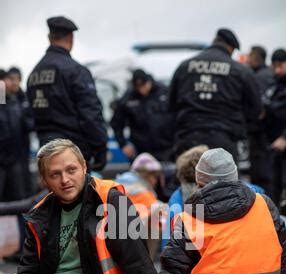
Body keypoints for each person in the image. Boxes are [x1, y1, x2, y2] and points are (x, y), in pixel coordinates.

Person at [0, 139, 170, 274]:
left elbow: (139, 268)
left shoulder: (111, 202)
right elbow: (29, 273)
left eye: (71, 170)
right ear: (44, 180)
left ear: (84, 167)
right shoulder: (41, 213)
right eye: (55, 174)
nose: (65, 180)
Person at [27, 16, 107, 171]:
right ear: (70, 38)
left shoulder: (34, 74)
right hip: (72, 152)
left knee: (53, 194)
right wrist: (100, 148)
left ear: (49, 38)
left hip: (46, 152)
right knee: (78, 193)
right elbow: (90, 114)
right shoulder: (76, 71)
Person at [168, 28, 262, 160]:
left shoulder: (184, 67)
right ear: (231, 48)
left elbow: (170, 106)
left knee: (189, 178)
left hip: (189, 138)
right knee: (225, 180)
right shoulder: (239, 70)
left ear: (214, 41)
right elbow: (256, 108)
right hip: (224, 140)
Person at [111, 69, 174, 162]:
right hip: (140, 150)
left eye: (144, 85)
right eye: (138, 87)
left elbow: (177, 116)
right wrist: (123, 144)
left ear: (149, 81)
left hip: (166, 149)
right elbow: (116, 123)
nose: (142, 90)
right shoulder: (129, 98)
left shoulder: (165, 92)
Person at [263, 48, 286, 204]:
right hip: (278, 147)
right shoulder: (278, 83)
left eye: (281, 66)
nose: (278, 70)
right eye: (275, 66)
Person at [116, 153, 163, 260]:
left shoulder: (121, 182)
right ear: (145, 174)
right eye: (154, 176)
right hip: (133, 237)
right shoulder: (141, 191)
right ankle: (148, 262)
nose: (155, 181)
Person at [0, 69, 34, 201]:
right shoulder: (6, 100)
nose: (10, 83)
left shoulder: (18, 100)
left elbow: (28, 125)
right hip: (5, 158)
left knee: (20, 197)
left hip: (16, 158)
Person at [247, 46, 274, 194]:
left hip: (260, 134)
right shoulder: (268, 74)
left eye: (249, 56)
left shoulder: (258, 77)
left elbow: (259, 107)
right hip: (269, 134)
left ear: (255, 57)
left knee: (261, 174)